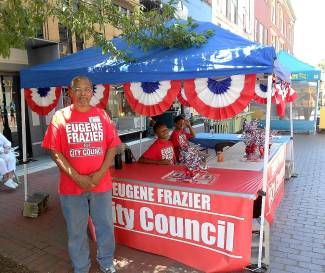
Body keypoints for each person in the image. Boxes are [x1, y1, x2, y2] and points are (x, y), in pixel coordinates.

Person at [42, 75, 121, 273]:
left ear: (92, 92)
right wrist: (76, 177)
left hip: (100, 185)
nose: (82, 94)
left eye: (87, 89)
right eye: (78, 89)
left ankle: (106, 262)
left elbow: (112, 146)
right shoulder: (60, 117)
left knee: (105, 227)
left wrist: (99, 174)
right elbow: (54, 151)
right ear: (70, 92)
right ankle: (81, 267)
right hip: (71, 186)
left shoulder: (102, 115)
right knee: (76, 231)